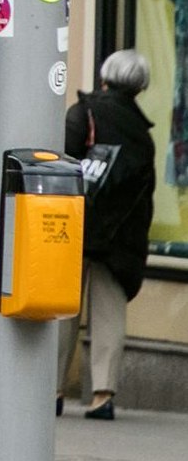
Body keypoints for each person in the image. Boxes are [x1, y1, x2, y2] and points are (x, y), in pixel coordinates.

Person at [61, 48, 157, 420]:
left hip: (76, 227)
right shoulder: (142, 135)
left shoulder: (82, 113)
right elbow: (142, 195)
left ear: (105, 77)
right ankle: (103, 394)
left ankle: (51, 388)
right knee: (110, 312)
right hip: (117, 238)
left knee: (63, 309)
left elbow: (63, 166)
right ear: (140, 87)